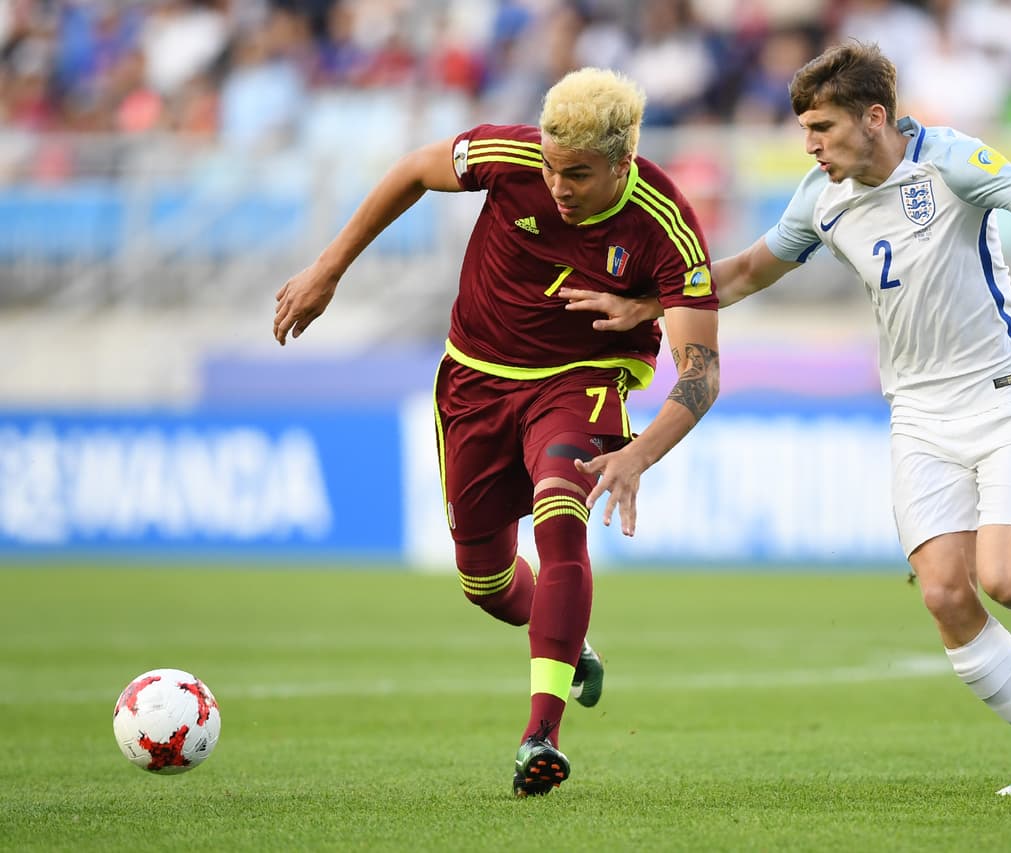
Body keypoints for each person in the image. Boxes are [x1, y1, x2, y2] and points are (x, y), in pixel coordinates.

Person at [562, 41, 1011, 795]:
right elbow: (748, 271)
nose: (810, 145)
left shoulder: (948, 162)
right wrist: (647, 303)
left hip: (1003, 396)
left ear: (875, 118)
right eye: (805, 129)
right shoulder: (820, 198)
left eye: (822, 127)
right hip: (918, 414)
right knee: (945, 594)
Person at [272, 67, 721, 796]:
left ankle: (541, 735)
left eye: (577, 174)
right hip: (474, 380)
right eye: (550, 167)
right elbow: (413, 171)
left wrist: (640, 452)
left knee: (560, 517)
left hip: (580, 379)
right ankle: (568, 640)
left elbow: (701, 373)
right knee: (484, 581)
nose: (558, 186)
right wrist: (329, 269)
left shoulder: (665, 222)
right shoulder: (509, 157)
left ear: (623, 162)